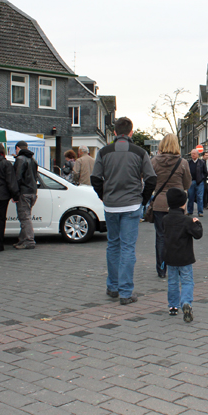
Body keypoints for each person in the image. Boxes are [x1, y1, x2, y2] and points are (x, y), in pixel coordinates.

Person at [91, 117, 157, 305]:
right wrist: (142, 200)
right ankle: (126, 292)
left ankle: (113, 287)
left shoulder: (104, 152)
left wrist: (103, 195)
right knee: (128, 247)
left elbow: (95, 177)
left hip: (111, 205)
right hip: (131, 205)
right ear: (131, 132)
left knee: (113, 245)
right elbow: (151, 178)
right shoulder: (139, 152)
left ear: (114, 133)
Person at [150, 134, 191, 278]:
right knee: (179, 237)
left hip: (160, 203)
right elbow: (187, 184)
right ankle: (178, 267)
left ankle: (161, 269)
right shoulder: (183, 163)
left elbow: (150, 182)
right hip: (178, 205)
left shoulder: (154, 162)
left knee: (161, 237)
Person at [163, 188, 203, 322]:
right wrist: (197, 223)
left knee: (172, 282)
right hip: (185, 257)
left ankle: (173, 306)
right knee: (187, 281)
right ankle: (186, 302)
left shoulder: (165, 219)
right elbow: (198, 234)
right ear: (183, 204)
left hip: (170, 256)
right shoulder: (186, 220)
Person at [13, 141, 38, 250]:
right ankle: (22, 240)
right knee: (26, 216)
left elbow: (17, 178)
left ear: (17, 148)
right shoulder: (33, 160)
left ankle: (29, 241)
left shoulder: (20, 159)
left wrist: (15, 194)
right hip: (33, 191)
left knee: (24, 217)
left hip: (24, 192)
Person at [186, 149, 208, 217]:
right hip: (191, 182)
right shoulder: (188, 163)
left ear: (198, 155)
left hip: (199, 182)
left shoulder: (201, 162)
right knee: (190, 197)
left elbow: (205, 173)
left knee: (200, 197)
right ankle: (190, 211)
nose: (193, 155)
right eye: (192, 154)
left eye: (194, 154)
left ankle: (200, 212)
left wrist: (202, 178)